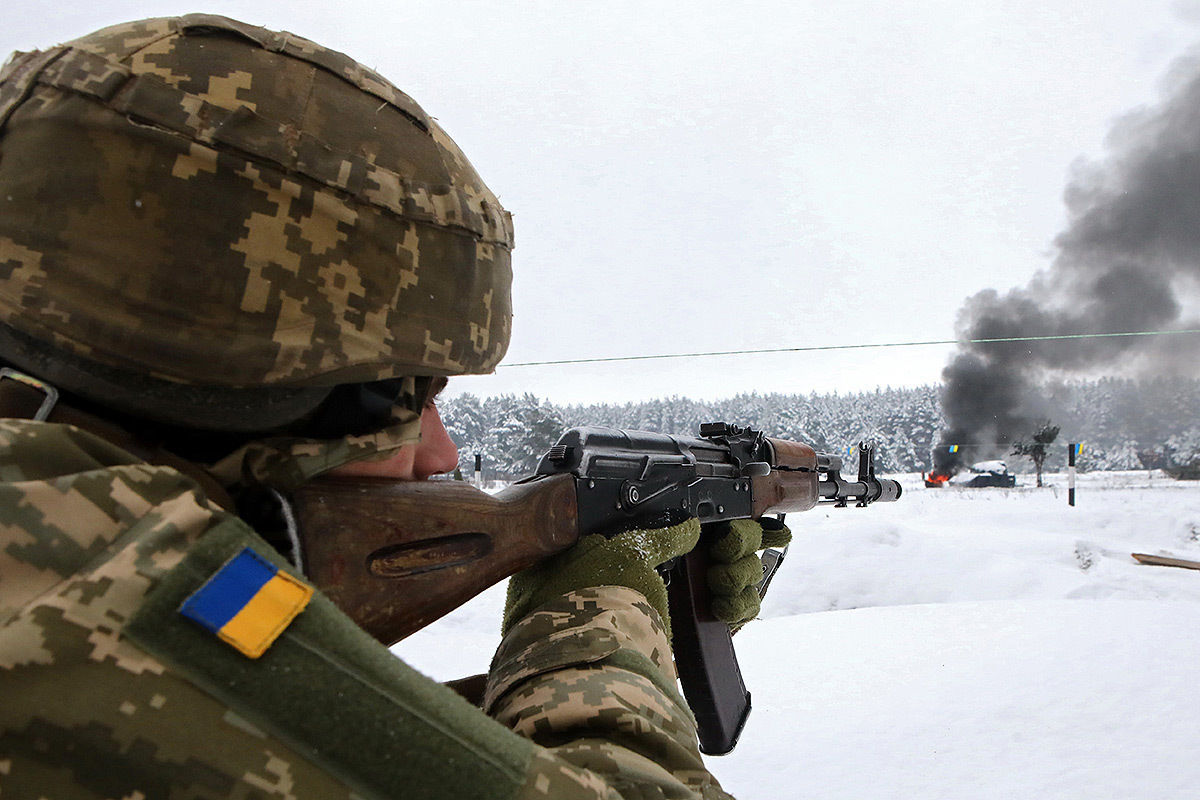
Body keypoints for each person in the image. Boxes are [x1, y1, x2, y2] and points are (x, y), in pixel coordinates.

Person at [0, 15, 784, 799]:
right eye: (404, 397)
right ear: (239, 389)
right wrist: (607, 592)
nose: (440, 455)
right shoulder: (80, 582)